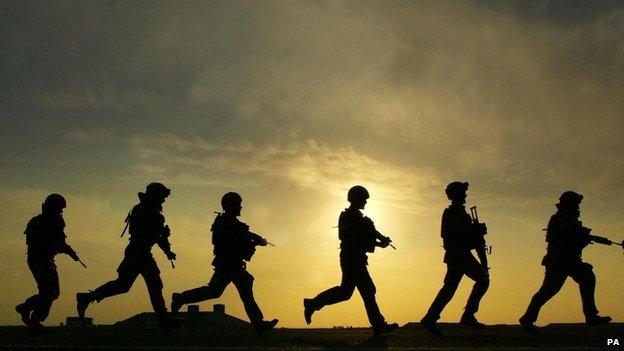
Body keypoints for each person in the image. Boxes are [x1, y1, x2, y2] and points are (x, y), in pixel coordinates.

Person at [76, 182, 182, 332]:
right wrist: (161, 236)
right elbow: (141, 233)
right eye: (162, 197)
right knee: (125, 285)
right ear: (155, 196)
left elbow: (159, 237)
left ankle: (163, 320)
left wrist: (167, 251)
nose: (164, 200)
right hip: (136, 253)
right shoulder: (141, 211)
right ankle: (87, 298)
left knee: (152, 285)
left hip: (143, 254)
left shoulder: (155, 214)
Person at [170, 192, 278, 335]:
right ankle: (180, 298)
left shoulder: (232, 222)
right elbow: (235, 239)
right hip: (228, 264)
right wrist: (254, 241)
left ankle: (258, 323)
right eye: (238, 204)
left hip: (233, 264)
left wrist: (257, 240)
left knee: (234, 289)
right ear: (231, 206)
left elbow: (244, 235)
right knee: (217, 291)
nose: (240, 207)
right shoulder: (224, 222)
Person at [303, 185, 398, 336]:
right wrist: (376, 242)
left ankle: (313, 303)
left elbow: (371, 234)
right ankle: (378, 325)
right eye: (364, 199)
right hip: (351, 258)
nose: (366, 202)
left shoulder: (361, 218)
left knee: (348, 292)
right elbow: (347, 237)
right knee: (366, 290)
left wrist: (380, 241)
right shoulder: (347, 216)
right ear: (356, 199)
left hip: (356, 258)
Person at [519, 191, 611, 333]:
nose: (578, 207)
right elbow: (567, 236)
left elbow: (573, 237)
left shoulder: (566, 218)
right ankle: (527, 319)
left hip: (568, 260)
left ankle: (591, 315)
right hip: (559, 260)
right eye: (576, 203)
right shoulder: (562, 218)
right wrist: (584, 238)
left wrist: (586, 238)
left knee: (586, 277)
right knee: (549, 290)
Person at [421, 181, 490, 334]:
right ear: (456, 195)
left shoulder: (462, 214)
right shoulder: (452, 213)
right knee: (482, 280)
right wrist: (472, 231)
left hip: (459, 254)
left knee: (450, 287)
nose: (465, 195)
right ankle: (468, 315)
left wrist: (475, 233)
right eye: (462, 192)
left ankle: (430, 317)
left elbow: (472, 240)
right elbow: (448, 235)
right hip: (459, 254)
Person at [16, 194, 81, 332]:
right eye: (59, 209)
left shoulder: (55, 221)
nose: (61, 212)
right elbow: (45, 243)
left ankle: (27, 308)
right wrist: (64, 249)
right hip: (39, 260)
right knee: (48, 292)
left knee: (54, 293)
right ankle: (34, 320)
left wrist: (69, 251)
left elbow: (60, 241)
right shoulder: (38, 222)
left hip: (47, 260)